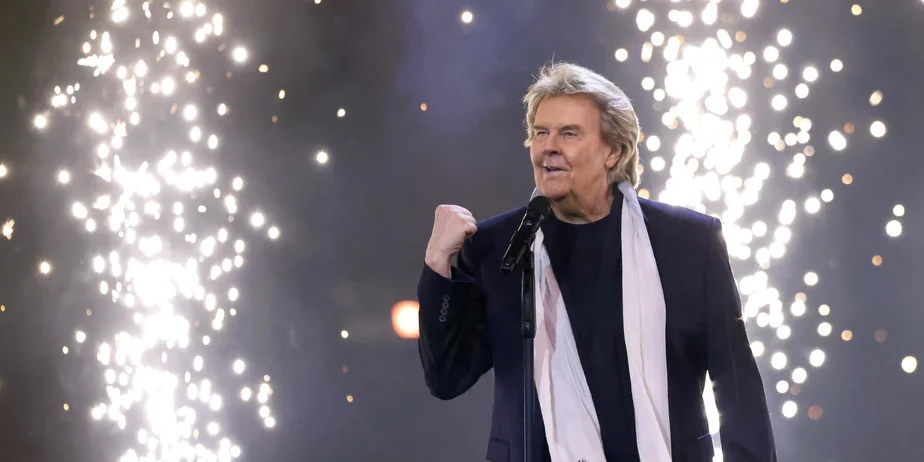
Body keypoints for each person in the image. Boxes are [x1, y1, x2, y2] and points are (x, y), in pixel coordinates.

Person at [417, 62, 776, 462]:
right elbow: (447, 378)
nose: (549, 146)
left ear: (614, 151)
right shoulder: (499, 247)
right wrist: (438, 263)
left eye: (568, 133)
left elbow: (736, 384)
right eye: (541, 132)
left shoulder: (688, 242)